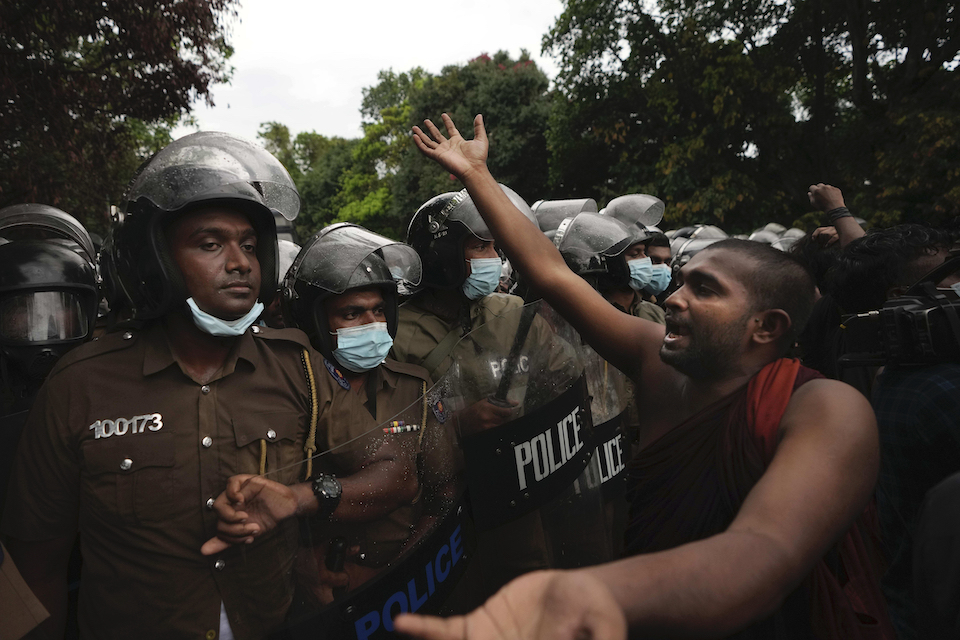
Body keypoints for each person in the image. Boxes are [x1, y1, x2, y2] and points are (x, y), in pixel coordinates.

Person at [394, 113, 890, 639]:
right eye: (682, 283)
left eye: (706, 290)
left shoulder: (826, 409)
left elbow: (761, 552)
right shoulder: (657, 361)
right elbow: (552, 273)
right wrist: (477, 176)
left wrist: (583, 594)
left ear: (766, 327)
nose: (673, 298)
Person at [1, 132, 321, 640]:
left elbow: (384, 467)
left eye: (250, 246)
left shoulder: (298, 367)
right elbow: (36, 566)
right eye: (211, 244)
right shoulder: (79, 384)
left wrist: (305, 497)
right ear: (156, 261)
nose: (240, 263)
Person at [202, 222, 458, 607]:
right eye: (351, 314)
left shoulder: (417, 386)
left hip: (412, 580)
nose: (372, 325)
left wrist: (403, 571)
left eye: (378, 310)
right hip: (319, 589)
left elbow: (443, 494)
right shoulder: (293, 387)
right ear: (317, 323)